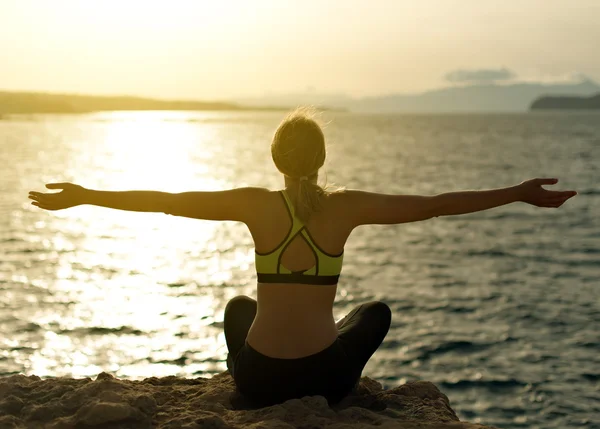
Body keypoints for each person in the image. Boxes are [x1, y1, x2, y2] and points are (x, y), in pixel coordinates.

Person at [28, 108, 577, 408]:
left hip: (258, 380)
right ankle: (347, 390)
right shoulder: (344, 209)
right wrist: (516, 192)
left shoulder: (254, 206)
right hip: (324, 380)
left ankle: (238, 381)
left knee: (240, 307)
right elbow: (437, 206)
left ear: (275, 158)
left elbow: (167, 203)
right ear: (322, 157)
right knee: (374, 313)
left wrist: (86, 194)